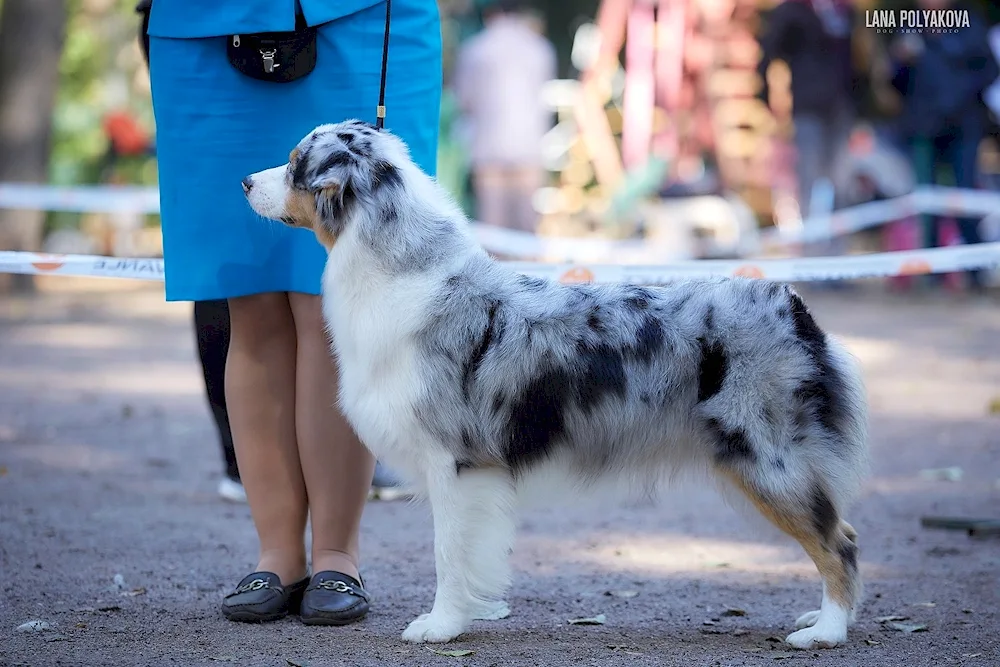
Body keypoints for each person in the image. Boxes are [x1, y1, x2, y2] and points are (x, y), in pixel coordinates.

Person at [144, 0, 441, 624]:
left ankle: (338, 554)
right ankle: (277, 555)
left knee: (331, 307)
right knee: (247, 301)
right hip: (202, 29)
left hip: (361, 25)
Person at [889, 0, 998, 291]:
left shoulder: (969, 22)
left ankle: (975, 272)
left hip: (964, 126)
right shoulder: (909, 25)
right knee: (927, 201)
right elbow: (895, 83)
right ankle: (933, 274)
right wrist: (900, 62)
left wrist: (958, 98)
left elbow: (989, 71)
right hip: (925, 127)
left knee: (965, 197)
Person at [452, 0, 556, 233]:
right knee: (527, 228)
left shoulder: (476, 49)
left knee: (493, 228)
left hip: (488, 147)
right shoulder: (540, 48)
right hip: (529, 146)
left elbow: (463, 100)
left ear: (489, 13)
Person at [757, 0, 859, 222]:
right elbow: (770, 51)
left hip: (841, 106)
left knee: (840, 178)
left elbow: (853, 61)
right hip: (808, 106)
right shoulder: (793, 11)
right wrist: (766, 96)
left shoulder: (844, 10)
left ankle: (837, 246)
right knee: (809, 175)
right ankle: (811, 244)